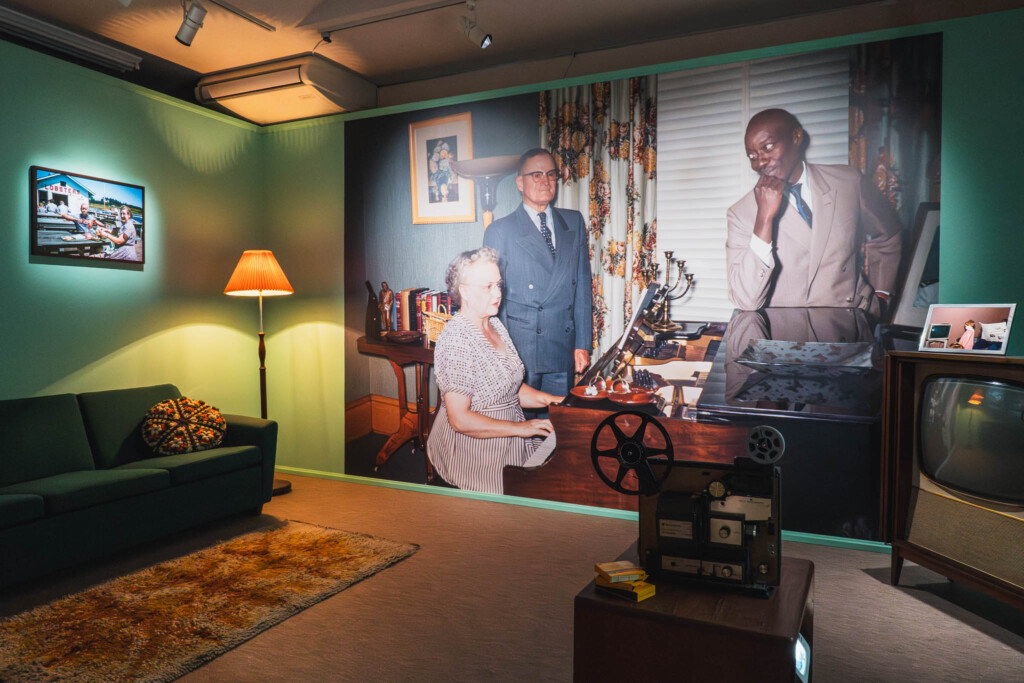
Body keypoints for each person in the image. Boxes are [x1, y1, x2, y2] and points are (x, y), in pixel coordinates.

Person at [726, 109, 902, 317]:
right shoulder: (741, 214)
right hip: (789, 331)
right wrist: (764, 218)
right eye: (752, 156)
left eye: (768, 147)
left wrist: (882, 293)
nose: (760, 162)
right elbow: (746, 300)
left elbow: (887, 235)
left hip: (853, 324)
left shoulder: (848, 181)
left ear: (796, 137)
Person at [426, 247, 562, 494]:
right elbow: (459, 419)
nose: (498, 293)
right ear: (464, 291)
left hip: (510, 436)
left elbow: (508, 387)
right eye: (487, 286)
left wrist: (551, 400)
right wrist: (522, 429)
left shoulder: (494, 324)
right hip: (473, 452)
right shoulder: (456, 339)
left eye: (498, 284)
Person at [482, 148, 592, 405]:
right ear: (520, 183)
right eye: (536, 175)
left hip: (562, 346)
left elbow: (582, 288)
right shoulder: (500, 230)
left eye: (551, 174)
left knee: (558, 421)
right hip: (521, 348)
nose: (545, 181)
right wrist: (502, 353)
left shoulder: (573, 221)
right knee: (521, 422)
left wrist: (582, 344)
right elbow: (493, 298)